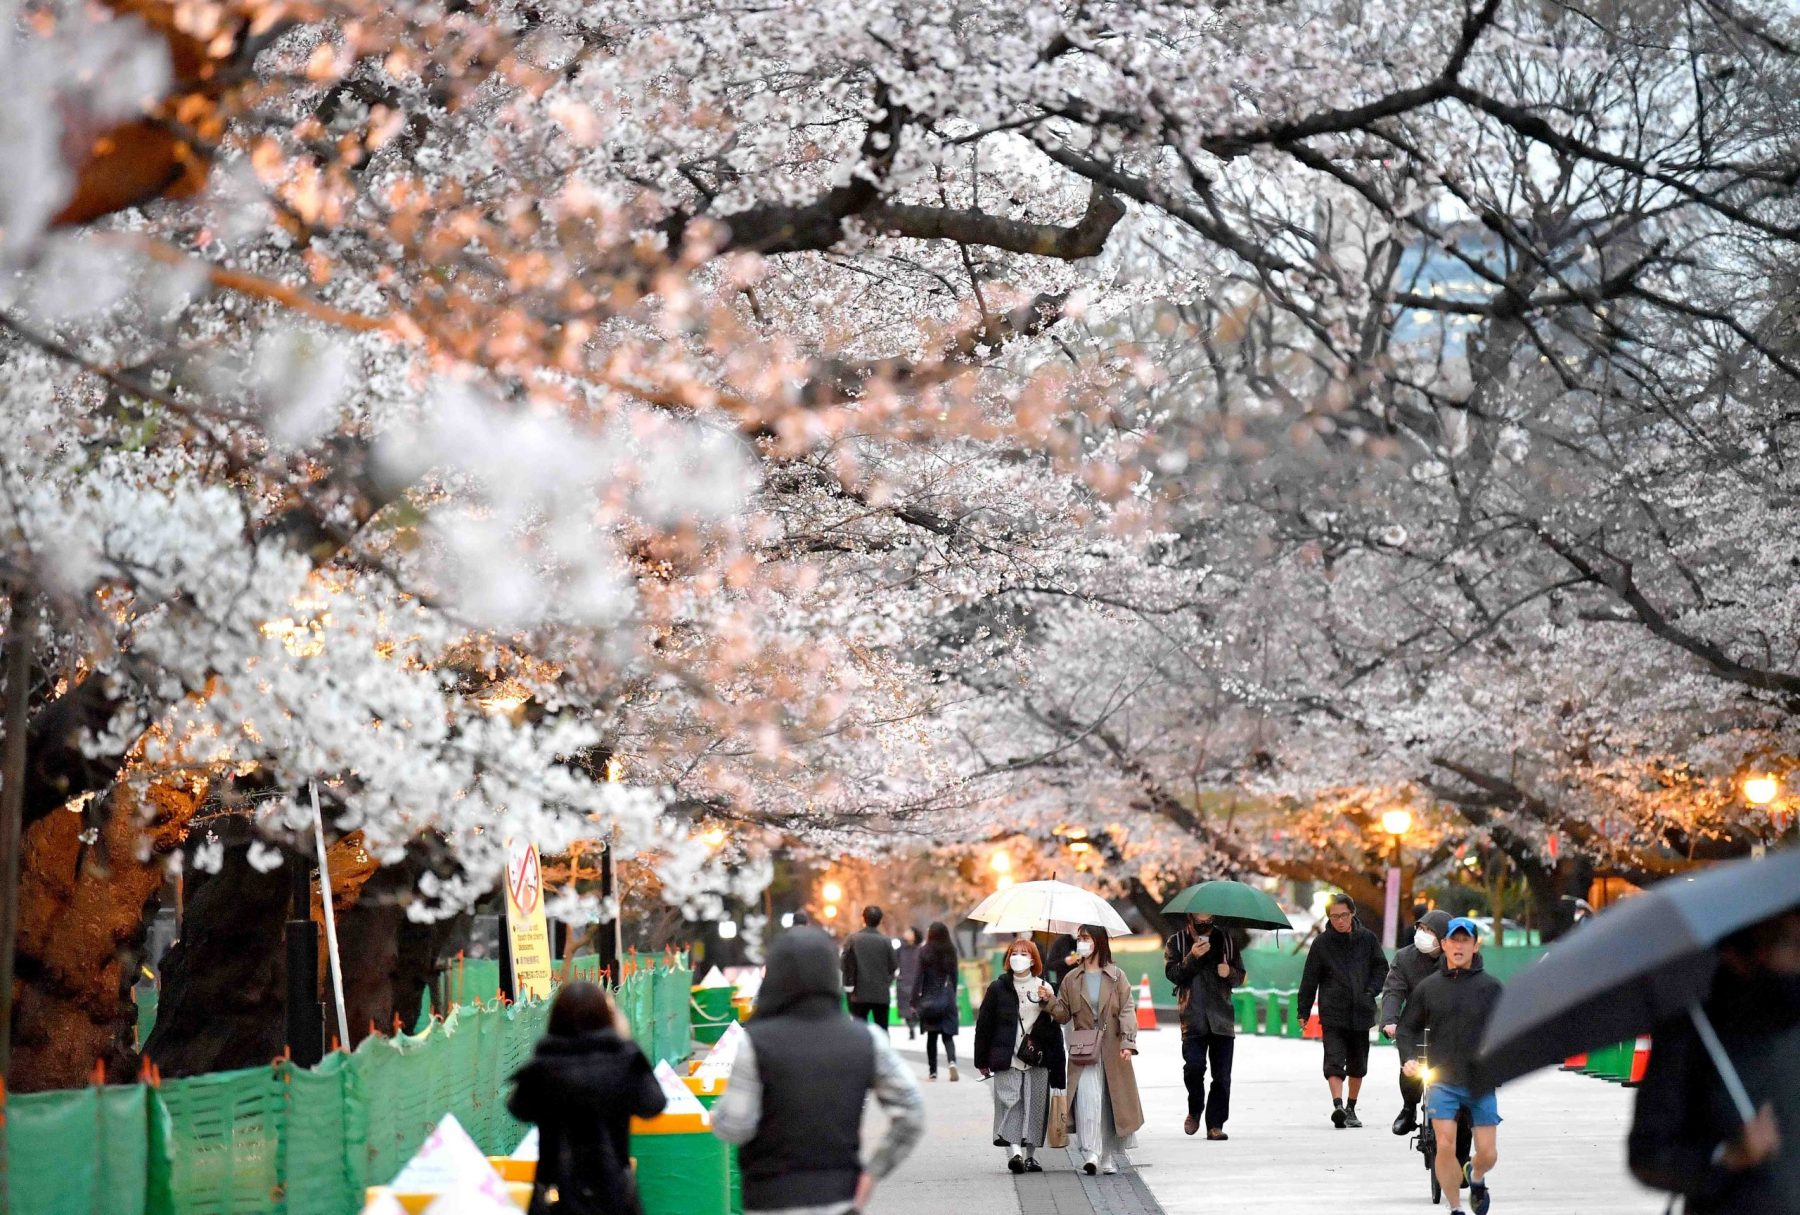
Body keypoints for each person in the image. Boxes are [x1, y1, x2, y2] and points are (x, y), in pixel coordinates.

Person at [713, 926, 924, 1215]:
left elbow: (736, 1127)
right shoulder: (867, 1039)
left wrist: (717, 1117)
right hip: (839, 1197)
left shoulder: (755, 1043)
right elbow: (912, 1113)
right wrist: (872, 1173)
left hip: (769, 1200)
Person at [1628, 908, 1800, 1214]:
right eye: (1787, 942)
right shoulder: (1693, 1032)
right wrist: (1729, 1156)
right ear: (1740, 955)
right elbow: (1649, 1155)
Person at [508, 981, 668, 1215]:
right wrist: (625, 1042)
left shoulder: (543, 1069)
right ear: (608, 1019)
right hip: (612, 1193)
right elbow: (654, 1104)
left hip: (556, 1197)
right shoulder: (623, 1062)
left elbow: (518, 1108)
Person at [1399, 917, 1504, 1215]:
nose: (1458, 946)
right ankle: (1456, 1208)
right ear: (1443, 945)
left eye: (1464, 940)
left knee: (1488, 1153)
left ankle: (1477, 1174)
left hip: (1480, 1079)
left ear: (1474, 945)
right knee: (1444, 1144)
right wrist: (1408, 1057)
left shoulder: (1491, 988)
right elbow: (1407, 1029)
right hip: (1442, 1080)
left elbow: (1507, 1026)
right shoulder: (1428, 988)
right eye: (1453, 941)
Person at [1049, 924, 1144, 1175]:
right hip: (1084, 1048)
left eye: (1086, 938)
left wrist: (1128, 1042)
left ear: (1098, 942)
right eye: (1079, 938)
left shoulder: (1117, 976)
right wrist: (1048, 1000)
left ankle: (1107, 1156)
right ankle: (1090, 1152)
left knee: (1109, 1101)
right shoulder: (1071, 978)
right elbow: (1062, 1014)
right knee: (1088, 1099)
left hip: (1112, 1047)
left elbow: (1127, 1009)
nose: (1081, 943)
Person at [1297, 893, 1389, 1128]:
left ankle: (1351, 1107)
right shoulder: (1322, 944)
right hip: (1333, 1012)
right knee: (1334, 1061)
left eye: (1344, 915)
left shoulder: (1367, 939)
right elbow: (1309, 979)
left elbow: (1381, 968)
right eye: (1335, 916)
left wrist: (1370, 991)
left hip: (1361, 1010)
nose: (1340, 920)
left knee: (1358, 1064)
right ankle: (1337, 1105)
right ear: (1329, 917)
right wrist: (1303, 1011)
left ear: (1352, 914)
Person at [975, 938, 1066, 1173]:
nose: (1018, 957)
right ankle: (1015, 1151)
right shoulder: (998, 988)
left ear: (1034, 959)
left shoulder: (1045, 987)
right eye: (1014, 953)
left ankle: (1031, 1155)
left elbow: (1057, 1025)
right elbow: (984, 1025)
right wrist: (982, 1061)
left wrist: (1050, 1000)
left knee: (1036, 1105)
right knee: (1012, 1101)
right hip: (1007, 1055)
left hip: (1038, 1056)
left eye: (1024, 953)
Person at [1163, 909, 1246, 1139]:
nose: (1204, 920)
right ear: (1190, 916)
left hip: (1222, 1018)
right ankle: (1195, 1108)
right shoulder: (1177, 941)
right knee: (1194, 1069)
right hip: (1193, 1017)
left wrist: (1229, 972)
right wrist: (1192, 957)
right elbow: (1172, 974)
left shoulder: (1227, 940)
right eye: (1200, 915)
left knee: (1222, 1077)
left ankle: (1215, 1124)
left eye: (1208, 915)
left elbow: (1240, 975)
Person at [1380, 908, 1452, 1135]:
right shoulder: (1404, 958)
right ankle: (1409, 1108)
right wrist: (1389, 1021)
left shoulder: (1456, 958)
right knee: (1410, 1066)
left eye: (1430, 931)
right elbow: (1393, 991)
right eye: (1421, 928)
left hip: (1449, 1024)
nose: (1423, 934)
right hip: (1414, 1024)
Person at [913, 921, 962, 1081]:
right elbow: (954, 976)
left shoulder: (924, 951)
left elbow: (918, 977)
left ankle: (933, 1071)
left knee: (931, 1036)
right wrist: (952, 995)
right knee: (947, 1036)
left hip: (929, 997)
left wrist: (914, 1000)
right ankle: (952, 1062)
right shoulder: (951, 950)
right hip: (946, 997)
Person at [842, 905, 898, 1031]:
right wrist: (886, 982)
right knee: (882, 1030)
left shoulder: (853, 939)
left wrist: (850, 986)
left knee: (859, 1031)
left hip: (859, 994)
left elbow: (844, 964)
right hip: (881, 994)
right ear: (880, 921)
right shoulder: (886, 941)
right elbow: (893, 966)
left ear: (863, 919)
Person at [896, 926, 923, 1040]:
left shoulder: (921, 950)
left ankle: (918, 1024)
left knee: (918, 1007)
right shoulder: (899, 950)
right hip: (904, 981)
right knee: (905, 1007)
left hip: (917, 982)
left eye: (910, 932)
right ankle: (911, 1028)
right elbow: (893, 963)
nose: (906, 933)